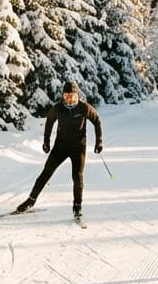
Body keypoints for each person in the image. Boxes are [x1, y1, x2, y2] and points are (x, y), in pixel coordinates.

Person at [15, 81, 103, 217]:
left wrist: (99, 142)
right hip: (60, 146)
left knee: (77, 177)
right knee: (46, 172)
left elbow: (97, 121)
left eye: (72, 96)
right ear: (63, 96)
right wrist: (46, 142)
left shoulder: (84, 108)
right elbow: (49, 123)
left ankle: (77, 207)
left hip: (78, 147)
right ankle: (30, 201)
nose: (70, 100)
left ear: (77, 96)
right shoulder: (58, 108)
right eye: (67, 96)